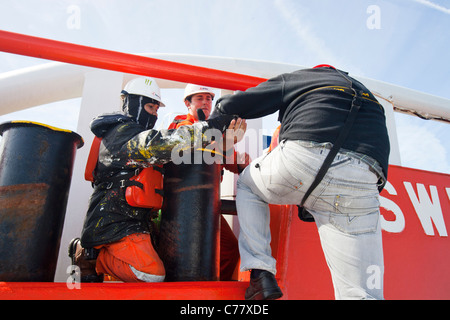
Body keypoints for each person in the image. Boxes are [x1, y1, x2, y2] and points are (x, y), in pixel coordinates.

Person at [210, 65, 390, 300]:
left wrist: (214, 126)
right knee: (362, 293)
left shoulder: (304, 78)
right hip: (363, 178)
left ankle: (261, 272)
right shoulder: (371, 98)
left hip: (303, 157)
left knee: (248, 185)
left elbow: (234, 104)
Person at [68, 77, 232, 283]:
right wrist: (210, 128)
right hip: (115, 223)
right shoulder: (121, 134)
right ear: (131, 103)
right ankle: (92, 255)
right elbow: (157, 145)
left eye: (156, 109)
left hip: (141, 222)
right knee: (151, 275)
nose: (154, 114)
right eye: (149, 107)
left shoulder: (136, 133)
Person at [168, 83, 249, 280]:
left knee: (229, 249)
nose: (206, 103)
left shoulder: (217, 134)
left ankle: (212, 293)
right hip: (179, 207)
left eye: (209, 99)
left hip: (204, 206)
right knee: (180, 262)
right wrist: (227, 143)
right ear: (187, 103)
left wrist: (243, 162)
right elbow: (197, 151)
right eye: (199, 98)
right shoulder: (180, 126)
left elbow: (231, 160)